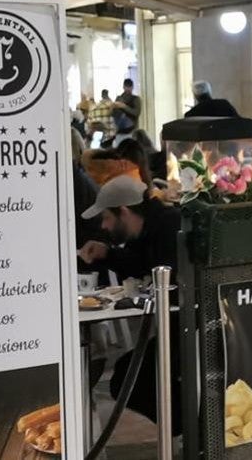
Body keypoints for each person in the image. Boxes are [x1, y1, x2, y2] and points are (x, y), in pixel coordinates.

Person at [77, 176, 182, 426]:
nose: (103, 226)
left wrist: (135, 299)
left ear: (123, 212)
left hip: (190, 329)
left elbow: (170, 283)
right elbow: (136, 261)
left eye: (107, 218)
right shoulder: (151, 228)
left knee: (128, 377)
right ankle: (183, 423)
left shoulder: (170, 227)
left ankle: (187, 423)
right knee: (127, 374)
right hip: (175, 326)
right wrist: (106, 254)